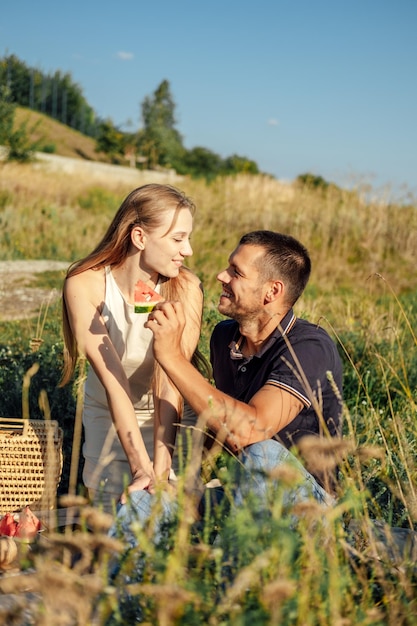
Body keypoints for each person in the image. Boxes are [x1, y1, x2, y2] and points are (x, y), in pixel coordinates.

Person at [111, 230, 343, 545]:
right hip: (241, 495)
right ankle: (119, 591)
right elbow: (219, 420)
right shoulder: (225, 338)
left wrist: (171, 356)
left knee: (263, 455)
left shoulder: (309, 347)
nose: (221, 276)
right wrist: (187, 485)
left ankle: (233, 589)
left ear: (272, 291)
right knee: (143, 502)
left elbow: (250, 430)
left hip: (306, 507)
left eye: (236, 272)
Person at [61, 183, 204, 513]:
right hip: (108, 410)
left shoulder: (187, 287)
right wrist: (141, 468)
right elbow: (115, 384)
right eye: (178, 238)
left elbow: (169, 385)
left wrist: (161, 471)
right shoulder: (85, 284)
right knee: (107, 519)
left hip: (169, 413)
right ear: (140, 237)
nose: (189, 251)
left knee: (169, 512)